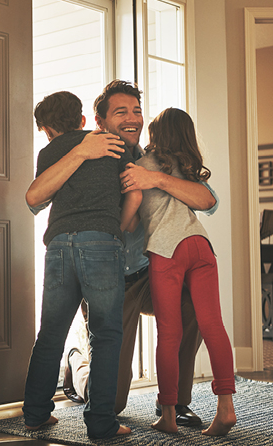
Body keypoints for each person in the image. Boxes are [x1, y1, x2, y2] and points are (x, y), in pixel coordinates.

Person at [26, 80, 219, 427]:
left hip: (146, 274)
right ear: (98, 123)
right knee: (110, 395)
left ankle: (173, 402)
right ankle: (77, 365)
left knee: (191, 305)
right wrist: (83, 153)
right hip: (109, 273)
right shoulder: (92, 152)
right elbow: (36, 200)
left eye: (136, 111)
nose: (132, 118)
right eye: (121, 112)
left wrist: (154, 179)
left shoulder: (155, 159)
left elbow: (208, 201)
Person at [22, 91, 140, 439]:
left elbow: (38, 198)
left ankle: (35, 413)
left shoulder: (48, 153)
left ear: (45, 129)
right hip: (101, 242)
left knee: (50, 334)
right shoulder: (113, 144)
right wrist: (113, 232)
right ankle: (101, 423)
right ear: (85, 120)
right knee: (105, 335)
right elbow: (134, 192)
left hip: (58, 244)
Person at [123, 107, 236, 436]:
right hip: (200, 244)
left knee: (169, 333)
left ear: (156, 135)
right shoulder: (186, 168)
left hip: (166, 249)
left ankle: (168, 413)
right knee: (213, 325)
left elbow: (130, 217)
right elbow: (208, 204)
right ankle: (226, 409)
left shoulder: (142, 166)